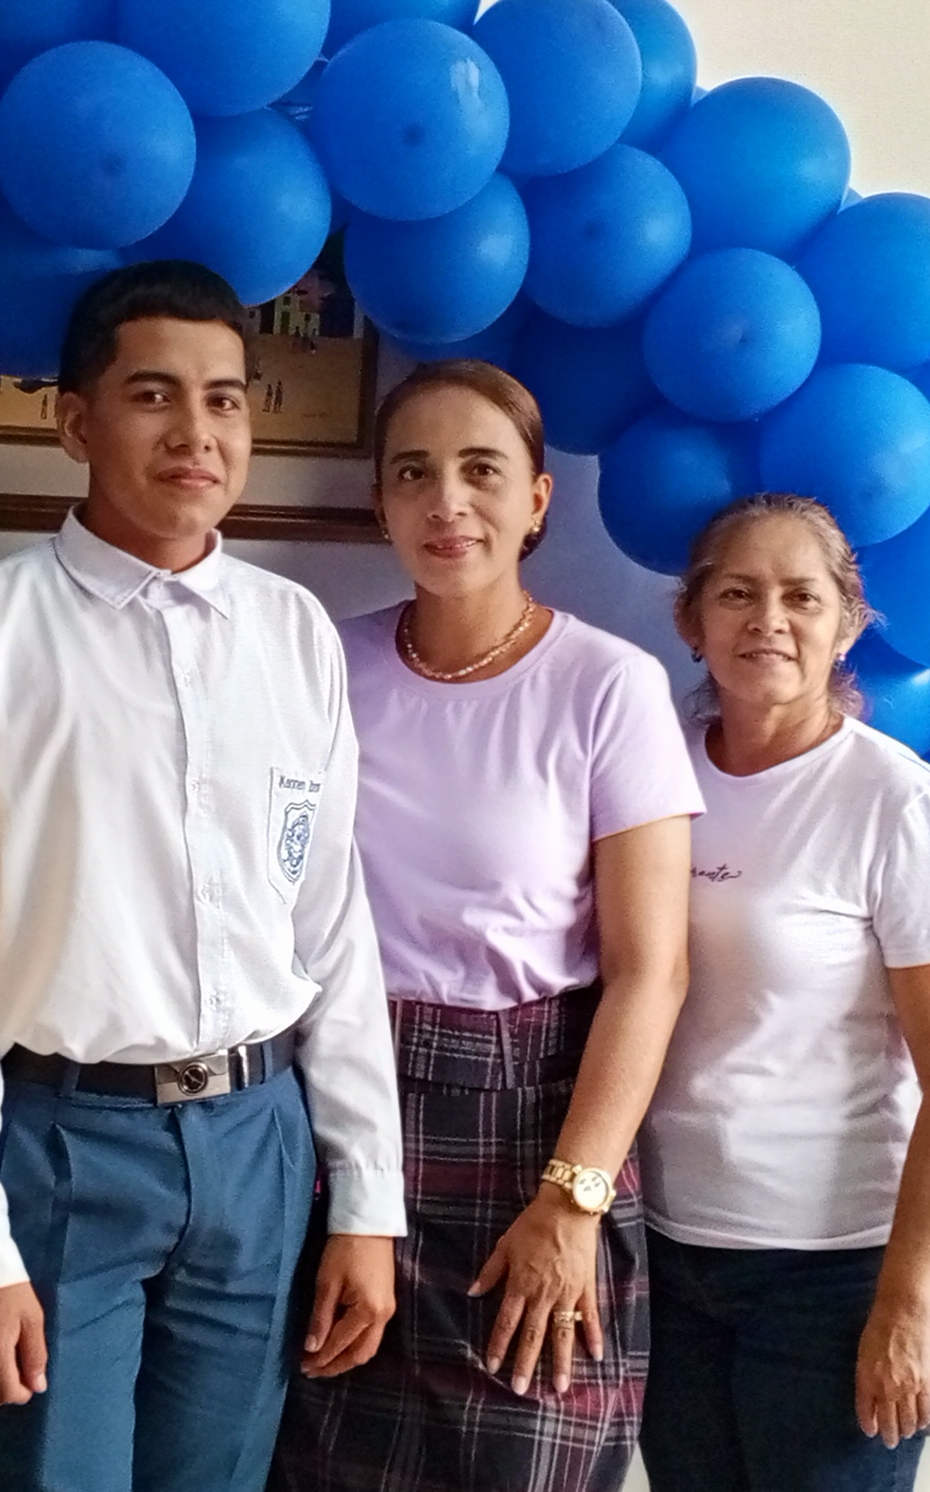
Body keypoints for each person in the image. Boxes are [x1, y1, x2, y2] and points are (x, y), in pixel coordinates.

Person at [0, 260, 405, 1492]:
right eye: (154, 395)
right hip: (63, 1143)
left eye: (225, 399)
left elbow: (331, 928)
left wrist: (367, 1200)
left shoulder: (292, 634)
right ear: (75, 421)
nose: (197, 433)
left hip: (259, 1140)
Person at [273, 360, 697, 1492]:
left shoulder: (609, 685)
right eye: (414, 473)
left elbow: (651, 973)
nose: (447, 502)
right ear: (380, 501)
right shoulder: (321, 665)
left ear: (537, 499)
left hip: (533, 1133)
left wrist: (573, 1201)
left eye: (481, 470)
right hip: (334, 1117)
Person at [638, 494, 930, 1492]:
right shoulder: (647, 777)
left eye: (802, 597)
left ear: (847, 624)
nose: (770, 620)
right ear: (691, 619)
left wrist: (906, 1306)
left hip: (838, 1275)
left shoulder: (904, 805)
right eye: (738, 594)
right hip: (665, 1256)